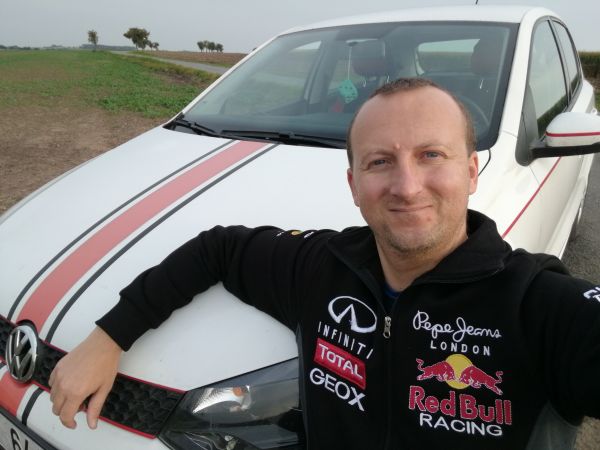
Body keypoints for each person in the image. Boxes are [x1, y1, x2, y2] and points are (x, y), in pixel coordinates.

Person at [49, 78, 600, 449]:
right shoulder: (322, 267)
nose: (407, 186)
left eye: (431, 155)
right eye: (380, 162)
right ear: (354, 185)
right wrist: (108, 338)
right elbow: (218, 247)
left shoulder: (540, 306)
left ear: (472, 172)